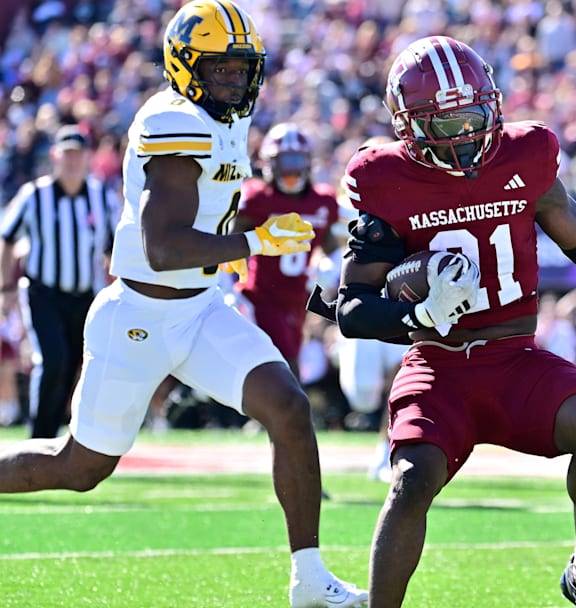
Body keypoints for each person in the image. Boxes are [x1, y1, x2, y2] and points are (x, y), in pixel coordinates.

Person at [0, 3, 367, 607]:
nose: (233, 79)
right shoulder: (172, 119)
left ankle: (309, 578)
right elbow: (164, 245)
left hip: (200, 307)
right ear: (184, 64)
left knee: (289, 408)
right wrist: (254, 240)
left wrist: (241, 243)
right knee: (80, 467)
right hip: (139, 315)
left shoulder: (225, 118)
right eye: (219, 67)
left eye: (242, 67)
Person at [308, 35, 576, 608]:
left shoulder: (524, 154)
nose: (465, 136)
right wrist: (417, 314)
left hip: (514, 359)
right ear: (409, 126)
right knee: (410, 479)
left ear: (493, 104)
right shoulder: (384, 177)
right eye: (446, 125)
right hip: (439, 363)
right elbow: (350, 308)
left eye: (473, 117)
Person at [0, 124, 118, 438]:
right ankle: (39, 435)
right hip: (43, 292)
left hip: (84, 295)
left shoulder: (100, 197)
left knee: (75, 364)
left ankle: (54, 436)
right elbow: (8, 239)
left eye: (78, 154)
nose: (72, 161)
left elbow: (112, 249)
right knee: (53, 360)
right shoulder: (34, 196)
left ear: (88, 157)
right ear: (55, 155)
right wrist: (7, 288)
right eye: (67, 154)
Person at [229, 122, 339, 376]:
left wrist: (329, 269)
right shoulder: (257, 199)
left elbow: (331, 247)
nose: (291, 170)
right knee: (285, 368)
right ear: (269, 163)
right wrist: (226, 284)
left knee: (286, 365)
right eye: (284, 161)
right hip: (260, 297)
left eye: (296, 160)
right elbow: (227, 245)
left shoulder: (321, 201)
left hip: (297, 300)